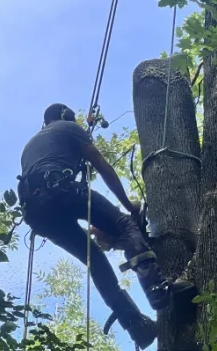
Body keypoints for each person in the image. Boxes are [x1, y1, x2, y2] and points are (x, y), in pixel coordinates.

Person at [16, 103, 171, 349]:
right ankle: (158, 290)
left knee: (95, 260)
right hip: (62, 191)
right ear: (66, 116)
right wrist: (128, 208)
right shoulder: (69, 127)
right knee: (124, 225)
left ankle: (136, 326)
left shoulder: (30, 147)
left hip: (36, 213)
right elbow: (102, 167)